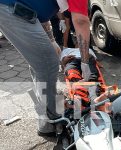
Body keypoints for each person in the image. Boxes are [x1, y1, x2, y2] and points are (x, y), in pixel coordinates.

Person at [0, 0, 91, 137]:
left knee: (41, 62)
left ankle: (45, 116)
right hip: (11, 8)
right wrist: (85, 62)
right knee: (48, 63)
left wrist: (52, 40)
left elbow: (41, 14)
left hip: (20, 10)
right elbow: (81, 21)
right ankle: (52, 119)